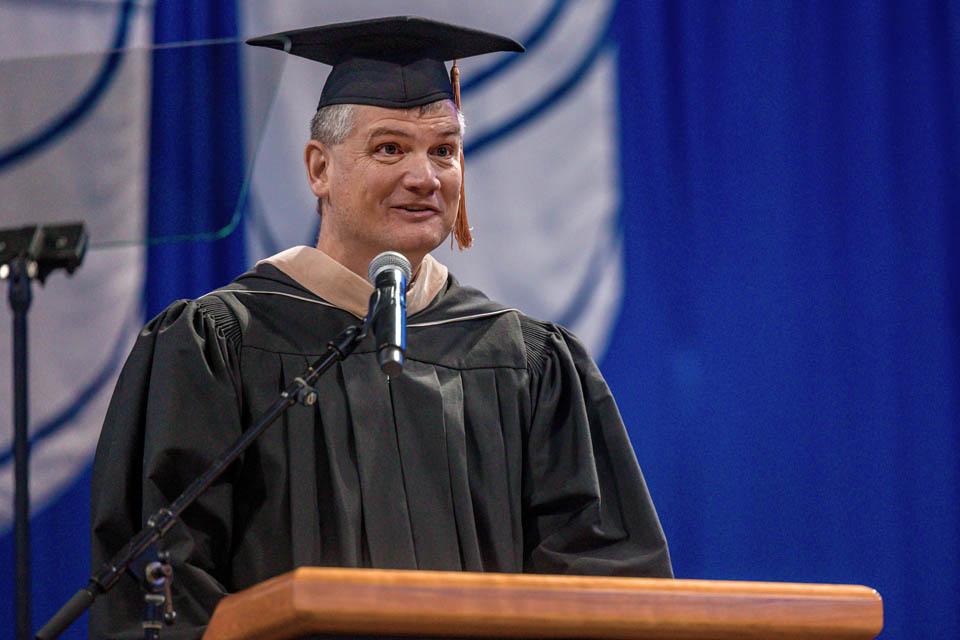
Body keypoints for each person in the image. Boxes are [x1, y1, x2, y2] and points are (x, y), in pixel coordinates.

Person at [90, 16, 672, 638]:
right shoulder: (219, 345)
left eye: (443, 150)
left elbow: (604, 581)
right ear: (319, 169)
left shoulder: (524, 361)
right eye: (390, 148)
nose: (425, 177)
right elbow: (165, 580)